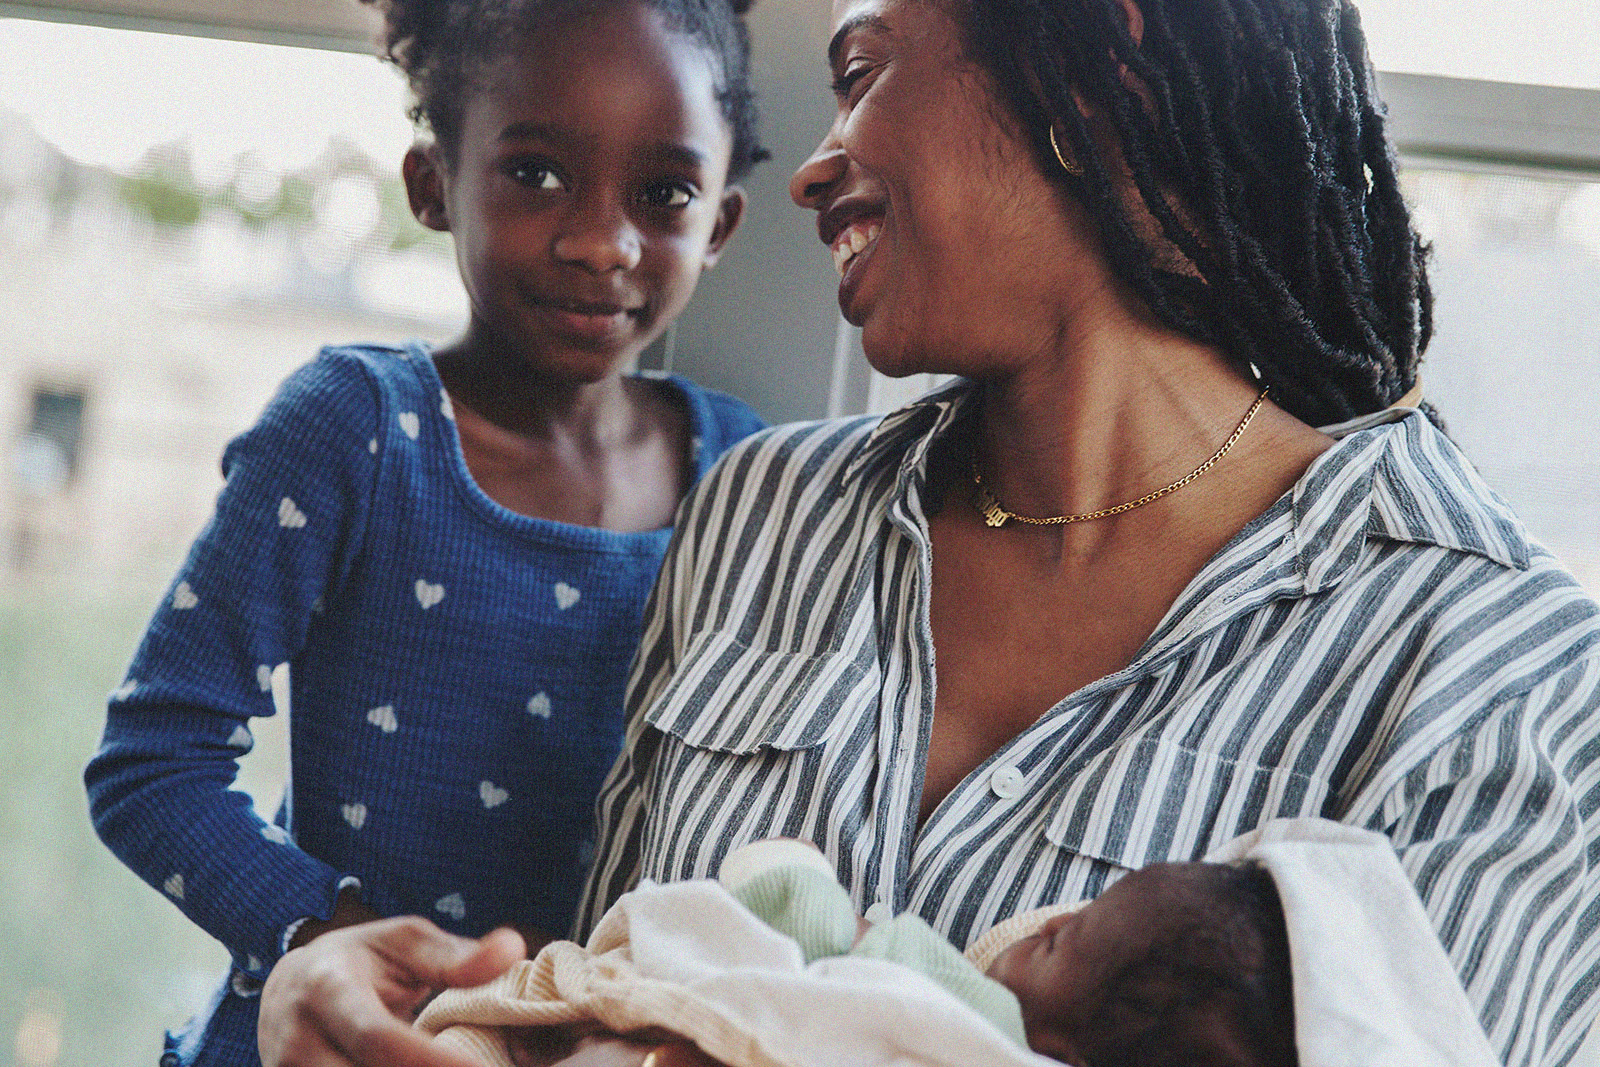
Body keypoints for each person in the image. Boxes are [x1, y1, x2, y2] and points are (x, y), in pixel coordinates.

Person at [256, 0, 1600, 1065]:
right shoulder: (761, 516)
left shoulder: (1507, 673)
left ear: (1103, 61)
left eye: (860, 70)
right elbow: (630, 981)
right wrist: (373, 1000)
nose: (812, 168)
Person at [83, 0, 768, 1063]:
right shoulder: (355, 428)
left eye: (662, 193)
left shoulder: (749, 478)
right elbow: (150, 763)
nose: (600, 240)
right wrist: (330, 935)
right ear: (433, 184)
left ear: (719, 224)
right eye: (536, 172)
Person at [414, 840, 1296, 1067]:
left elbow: (805, 920)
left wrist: (789, 869)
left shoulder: (977, 1021)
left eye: (1062, 939)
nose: (1034, 927)